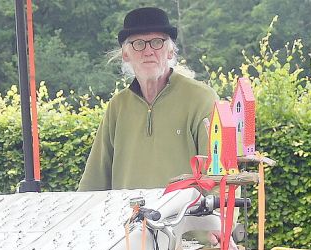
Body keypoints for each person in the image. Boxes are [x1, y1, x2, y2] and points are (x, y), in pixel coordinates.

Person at [77, 7, 219, 191]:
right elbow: (93, 182)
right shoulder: (117, 107)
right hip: (127, 218)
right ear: (125, 54)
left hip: (185, 218)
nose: (148, 51)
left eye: (157, 42)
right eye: (138, 44)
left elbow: (221, 176)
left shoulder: (201, 99)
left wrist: (215, 219)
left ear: (170, 51)